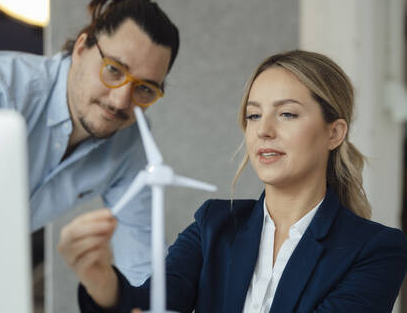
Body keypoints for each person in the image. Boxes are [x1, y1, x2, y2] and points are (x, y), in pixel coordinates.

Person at [58, 50, 407, 312]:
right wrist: (101, 279)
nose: (264, 130)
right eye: (254, 115)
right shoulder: (213, 225)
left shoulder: (377, 250)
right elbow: (151, 304)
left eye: (286, 114)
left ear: (334, 132)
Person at [0, 0, 179, 286]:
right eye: (113, 70)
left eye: (144, 89)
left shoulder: (131, 141)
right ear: (82, 48)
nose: (121, 100)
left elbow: (143, 260)